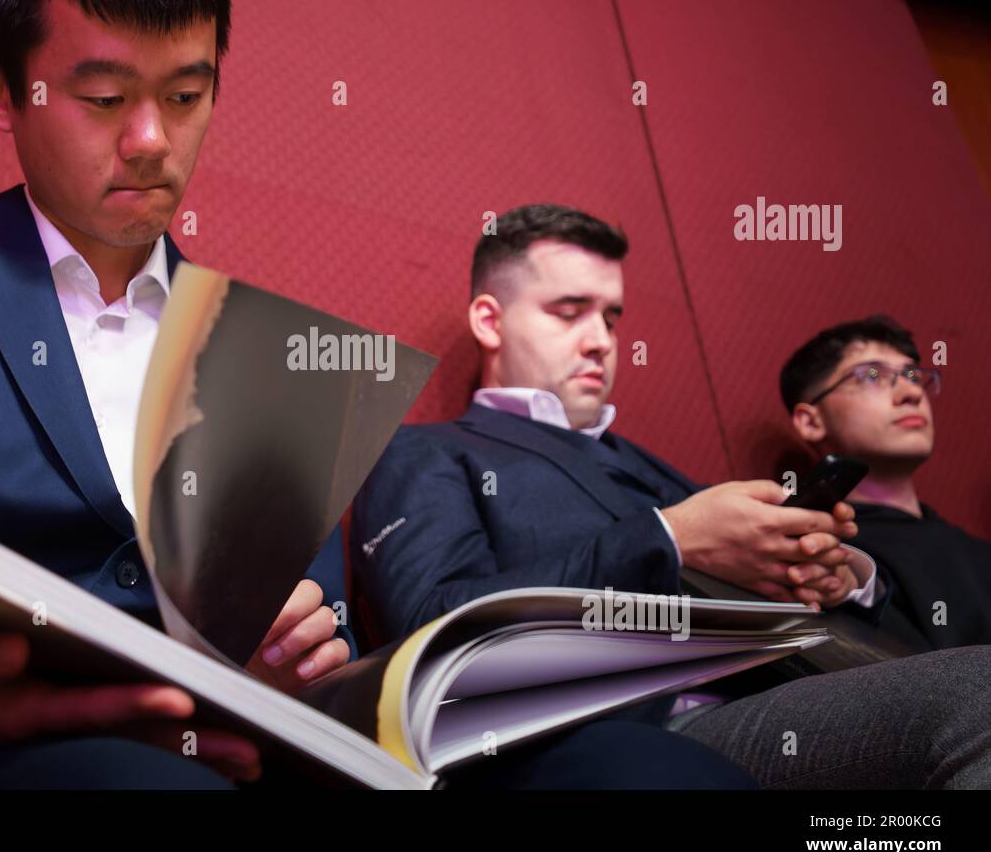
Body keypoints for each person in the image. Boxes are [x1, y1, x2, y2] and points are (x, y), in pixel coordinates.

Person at [0, 0, 750, 790]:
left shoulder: (279, 356)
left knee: (643, 768)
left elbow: (313, 645)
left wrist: (299, 660)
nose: (151, 142)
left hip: (237, 761)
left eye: (186, 95)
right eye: (99, 98)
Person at [352, 203, 991, 788]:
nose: (601, 339)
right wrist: (669, 539)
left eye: (611, 316)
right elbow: (429, 630)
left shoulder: (647, 464)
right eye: (569, 311)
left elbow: (756, 587)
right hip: (634, 729)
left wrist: (834, 572)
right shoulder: (424, 451)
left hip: (787, 691)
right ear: (489, 321)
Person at [780, 315, 991, 650]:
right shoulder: (820, 553)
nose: (911, 392)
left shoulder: (977, 552)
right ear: (810, 421)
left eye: (912, 375)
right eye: (873, 375)